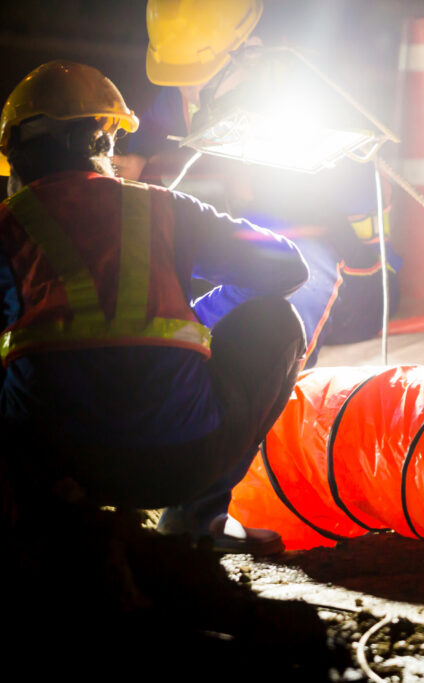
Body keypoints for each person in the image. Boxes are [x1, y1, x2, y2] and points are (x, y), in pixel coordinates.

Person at [0, 60, 309, 555]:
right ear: (104, 138)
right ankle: (195, 520)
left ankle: (31, 525)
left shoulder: (8, 225)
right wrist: (193, 318)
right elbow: (287, 269)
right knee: (278, 322)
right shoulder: (161, 206)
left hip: (52, 469)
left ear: (14, 155)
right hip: (177, 465)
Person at [115, 0, 398, 368]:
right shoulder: (187, 96)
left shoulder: (310, 99)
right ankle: (167, 358)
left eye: (200, 77)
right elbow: (154, 123)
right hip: (262, 250)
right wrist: (136, 154)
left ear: (251, 52)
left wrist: (321, 155)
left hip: (354, 275)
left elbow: (362, 203)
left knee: (296, 274)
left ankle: (273, 391)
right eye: (178, 79)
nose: (189, 96)